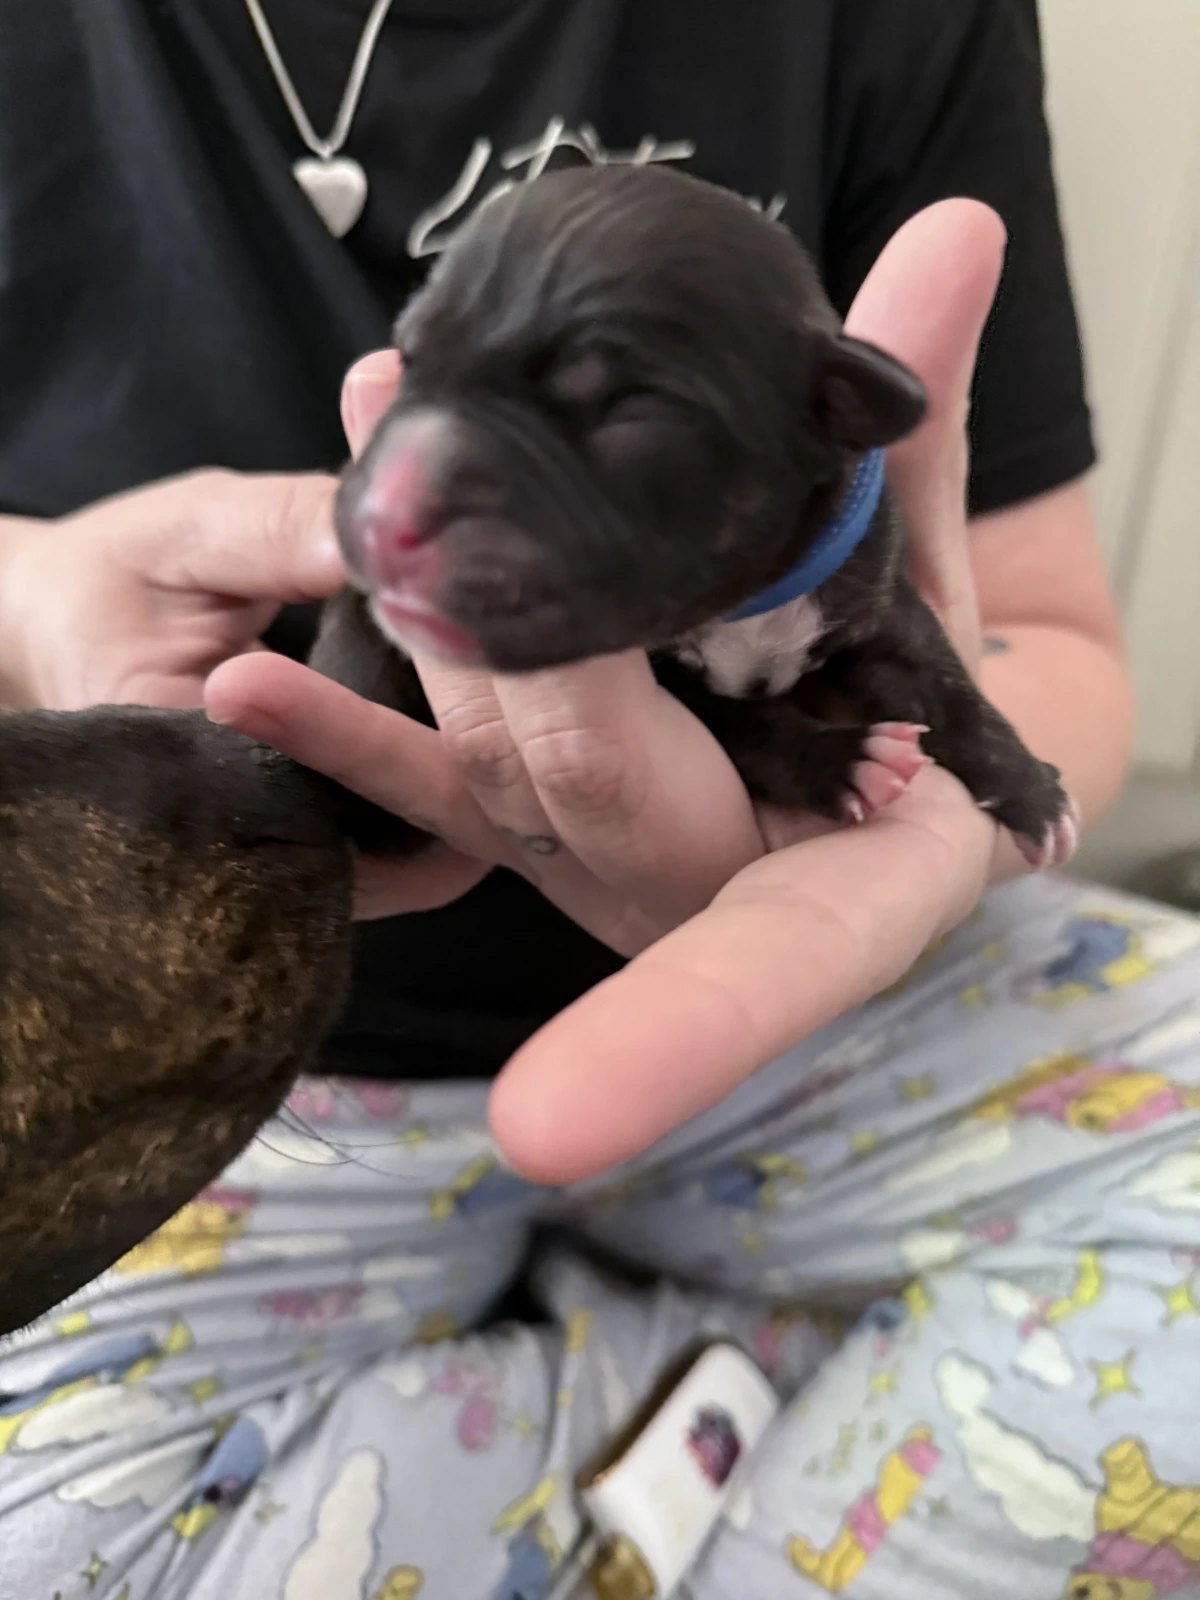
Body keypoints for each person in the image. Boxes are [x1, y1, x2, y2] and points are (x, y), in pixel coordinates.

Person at [0, 4, 1196, 1598]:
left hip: (827, 1011)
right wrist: (27, 595)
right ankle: (712, 1388)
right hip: (289, 1067)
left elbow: (1042, 631)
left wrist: (959, 801)